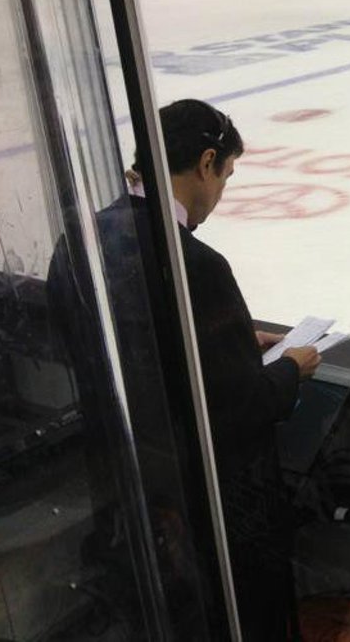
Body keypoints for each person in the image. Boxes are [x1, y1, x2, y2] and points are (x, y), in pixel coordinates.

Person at [52, 100, 319, 640]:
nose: (221, 194)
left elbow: (126, 344)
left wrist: (228, 341)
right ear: (204, 163)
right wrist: (292, 366)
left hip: (121, 486)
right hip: (198, 509)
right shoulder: (194, 265)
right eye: (226, 175)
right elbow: (241, 406)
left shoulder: (78, 240)